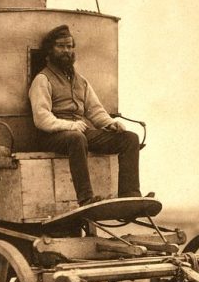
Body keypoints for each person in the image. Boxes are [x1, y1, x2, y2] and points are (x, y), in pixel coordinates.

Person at [29, 24, 148, 207]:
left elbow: (95, 110)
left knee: (130, 139)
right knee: (76, 138)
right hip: (51, 136)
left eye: (69, 46)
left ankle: (130, 194)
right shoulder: (42, 80)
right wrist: (69, 125)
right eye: (61, 46)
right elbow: (41, 117)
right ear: (50, 50)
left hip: (78, 132)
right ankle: (85, 199)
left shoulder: (80, 81)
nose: (66, 51)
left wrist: (110, 123)